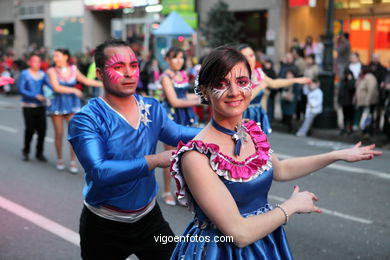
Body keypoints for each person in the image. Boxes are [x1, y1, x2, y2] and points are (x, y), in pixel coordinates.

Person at [169, 46, 381, 260]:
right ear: (205, 91)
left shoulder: (251, 131)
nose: (234, 92)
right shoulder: (196, 156)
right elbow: (239, 233)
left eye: (242, 82)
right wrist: (291, 206)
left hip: (265, 242)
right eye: (221, 84)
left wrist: (336, 155)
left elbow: (280, 169)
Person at [68, 39, 200, 260]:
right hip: (103, 226)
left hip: (149, 220)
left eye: (133, 65)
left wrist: (222, 129)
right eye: (118, 67)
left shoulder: (151, 107)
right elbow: (100, 172)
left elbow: (176, 134)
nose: (129, 73)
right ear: (100, 74)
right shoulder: (86, 119)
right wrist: (156, 160)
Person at [47, 48, 102, 173]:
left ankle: (72, 160)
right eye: (54, 56)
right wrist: (74, 90)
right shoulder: (51, 70)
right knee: (59, 133)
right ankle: (59, 158)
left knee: (73, 134)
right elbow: (56, 87)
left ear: (66, 56)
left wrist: (104, 83)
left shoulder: (73, 69)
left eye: (58, 56)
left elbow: (86, 80)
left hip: (72, 103)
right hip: (58, 103)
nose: (55, 58)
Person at [238, 44, 311, 135]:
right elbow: (243, 99)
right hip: (243, 115)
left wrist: (296, 80)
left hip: (258, 114)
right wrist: (260, 87)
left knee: (259, 145)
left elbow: (274, 83)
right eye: (245, 57)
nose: (249, 59)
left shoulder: (258, 73)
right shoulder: (237, 76)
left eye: (251, 55)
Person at [160, 47, 201, 206]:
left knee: (186, 155)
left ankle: (182, 192)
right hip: (171, 116)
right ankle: (166, 191)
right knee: (170, 155)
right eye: (175, 58)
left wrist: (203, 96)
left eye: (181, 58)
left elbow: (184, 95)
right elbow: (174, 101)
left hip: (185, 115)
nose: (179, 61)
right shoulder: (165, 77)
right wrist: (199, 101)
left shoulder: (182, 75)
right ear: (168, 60)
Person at [18, 54, 51, 162]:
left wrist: (52, 92)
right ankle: (26, 151)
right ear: (29, 62)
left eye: (38, 61)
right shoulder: (24, 74)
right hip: (28, 106)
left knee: (42, 130)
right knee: (30, 130)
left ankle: (39, 152)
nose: (37, 64)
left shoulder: (43, 74)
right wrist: (35, 95)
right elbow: (21, 89)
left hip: (41, 106)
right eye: (34, 61)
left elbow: (50, 86)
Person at [338, 69, 356, 135]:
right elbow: (340, 91)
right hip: (344, 102)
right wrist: (339, 100)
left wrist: (350, 80)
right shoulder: (343, 81)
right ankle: (345, 128)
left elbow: (351, 88)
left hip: (351, 102)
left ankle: (350, 128)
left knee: (351, 117)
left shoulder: (353, 81)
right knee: (345, 116)